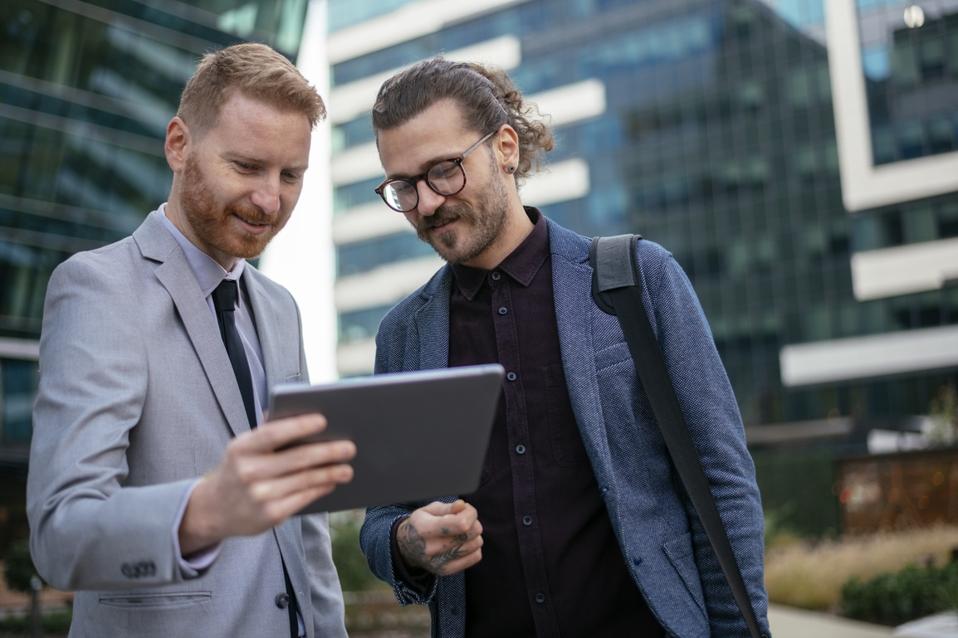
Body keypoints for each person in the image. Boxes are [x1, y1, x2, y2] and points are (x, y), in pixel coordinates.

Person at [359, 57, 770, 638]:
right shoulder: (402, 336)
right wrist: (407, 543)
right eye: (403, 185)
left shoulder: (638, 279)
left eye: (444, 171)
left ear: (504, 147)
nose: (425, 203)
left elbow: (720, 482)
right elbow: (381, 523)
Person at [27, 43, 355, 638]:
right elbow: (59, 533)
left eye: (290, 175)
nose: (270, 200)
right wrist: (201, 511)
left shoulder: (281, 309)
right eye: (247, 167)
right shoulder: (97, 289)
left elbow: (304, 534)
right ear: (178, 145)